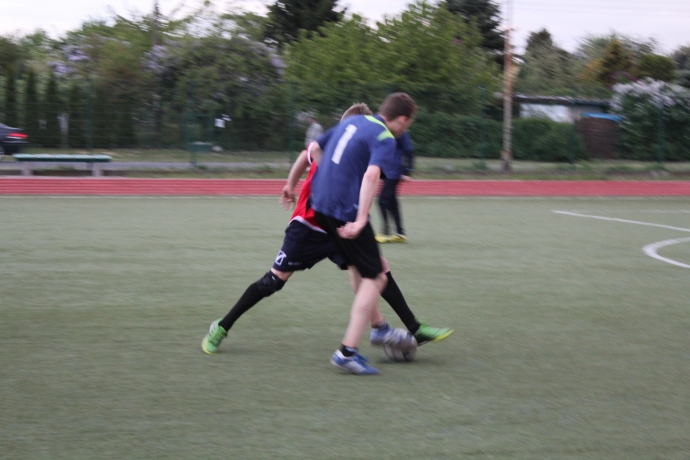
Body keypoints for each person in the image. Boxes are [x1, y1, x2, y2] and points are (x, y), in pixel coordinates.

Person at [201, 103, 452, 360]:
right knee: (274, 281)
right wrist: (290, 184)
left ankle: (398, 327)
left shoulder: (362, 151)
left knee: (371, 270)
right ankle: (222, 326)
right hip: (309, 225)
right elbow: (307, 153)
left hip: (338, 224)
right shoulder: (333, 147)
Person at [310, 93, 440, 375]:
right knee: (377, 276)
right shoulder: (384, 136)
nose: (405, 130)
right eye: (407, 124)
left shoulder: (352, 122)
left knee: (360, 268)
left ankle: (379, 327)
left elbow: (315, 148)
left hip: (320, 204)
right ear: (402, 119)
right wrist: (359, 220)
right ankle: (347, 351)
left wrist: (330, 182)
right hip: (344, 209)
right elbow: (371, 176)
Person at [376, 131, 414, 243]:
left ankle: (385, 233)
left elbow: (409, 151)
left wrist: (407, 172)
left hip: (394, 172)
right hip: (388, 171)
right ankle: (400, 233)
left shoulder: (400, 131)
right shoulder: (383, 130)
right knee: (392, 201)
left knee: (382, 200)